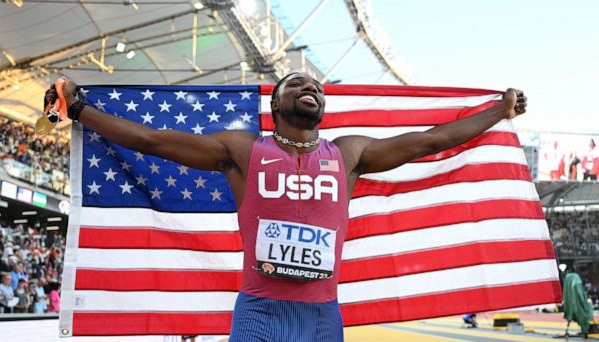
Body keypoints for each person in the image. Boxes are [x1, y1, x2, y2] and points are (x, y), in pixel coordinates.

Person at [45, 73, 526, 341]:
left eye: (315, 86)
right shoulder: (242, 151)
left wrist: (499, 111)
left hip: (322, 316)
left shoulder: (349, 154)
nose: (309, 88)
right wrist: (81, 109)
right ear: (276, 103)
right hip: (259, 312)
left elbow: (432, 140)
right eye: (296, 84)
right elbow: (153, 141)